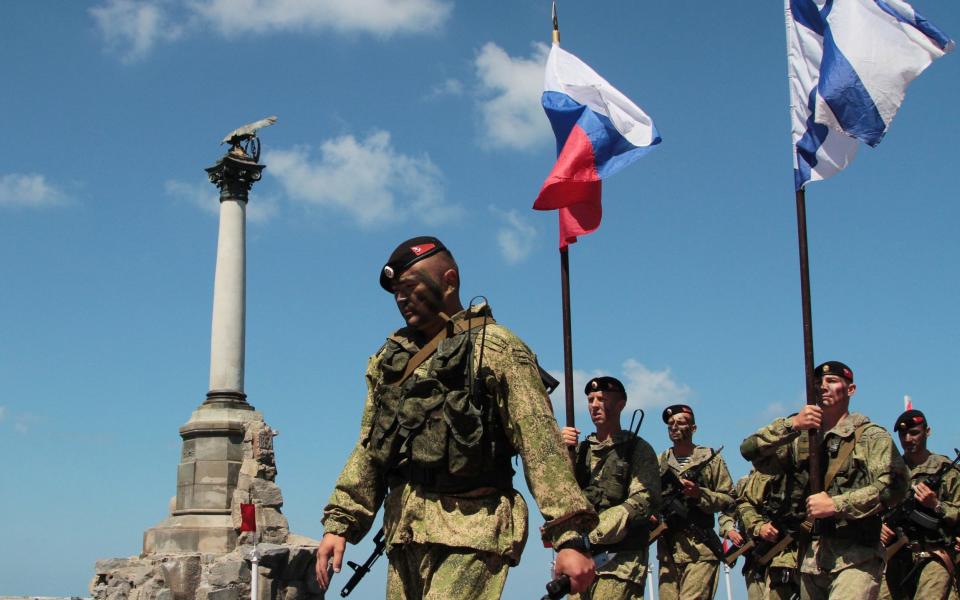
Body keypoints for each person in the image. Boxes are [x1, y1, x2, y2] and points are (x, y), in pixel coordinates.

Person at [314, 236, 598, 600]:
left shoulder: (497, 349)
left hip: (473, 529)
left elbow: (540, 443)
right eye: (396, 292)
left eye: (411, 287)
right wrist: (340, 523)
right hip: (406, 532)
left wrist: (570, 537)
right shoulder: (389, 362)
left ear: (449, 281)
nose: (401, 299)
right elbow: (372, 448)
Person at [739, 360, 910, 600]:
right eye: (818, 383)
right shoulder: (801, 440)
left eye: (832, 381)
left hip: (856, 554)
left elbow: (894, 486)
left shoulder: (870, 436)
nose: (823, 387)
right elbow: (750, 450)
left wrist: (835, 505)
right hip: (811, 558)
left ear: (850, 389)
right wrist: (791, 424)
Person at [560, 376, 661, 599]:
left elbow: (643, 500)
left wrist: (593, 534)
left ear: (620, 404)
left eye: (602, 399)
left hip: (619, 563)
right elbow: (560, 493)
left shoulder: (638, 449)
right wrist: (560, 452)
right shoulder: (580, 451)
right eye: (590, 399)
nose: (594, 405)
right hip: (581, 562)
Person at [878, 409, 960, 600]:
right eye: (903, 434)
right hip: (894, 557)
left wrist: (936, 505)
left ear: (927, 432)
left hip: (935, 555)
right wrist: (879, 527)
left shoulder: (946, 470)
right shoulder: (889, 471)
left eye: (914, 433)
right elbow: (871, 505)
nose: (908, 439)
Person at [656, 404, 734, 600]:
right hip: (668, 550)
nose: (674, 427)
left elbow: (730, 500)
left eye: (680, 423)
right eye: (670, 424)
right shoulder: (660, 462)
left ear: (693, 428)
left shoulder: (710, 458)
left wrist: (700, 494)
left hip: (700, 550)